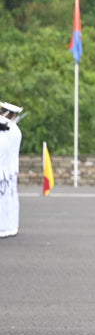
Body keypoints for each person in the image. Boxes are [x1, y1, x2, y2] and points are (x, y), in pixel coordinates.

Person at [0, 102, 23, 238]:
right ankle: (9, 226)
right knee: (8, 200)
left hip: (4, 170)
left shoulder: (9, 130)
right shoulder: (12, 129)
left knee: (5, 201)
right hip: (9, 171)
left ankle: (5, 227)